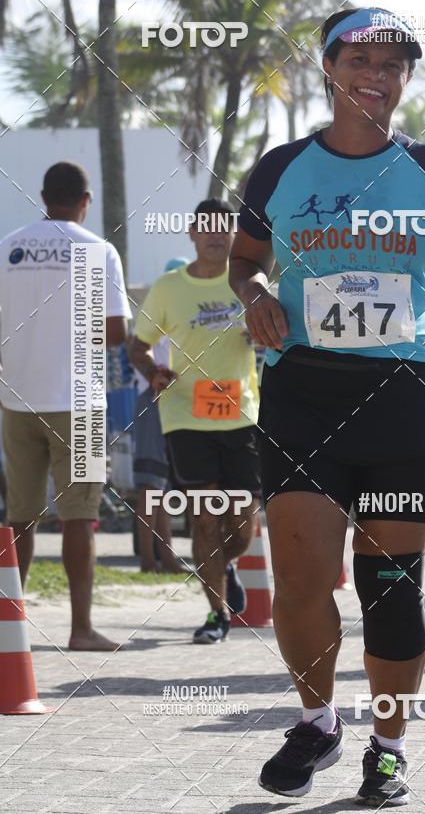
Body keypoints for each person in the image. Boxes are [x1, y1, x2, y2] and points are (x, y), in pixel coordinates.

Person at [229, 5, 425, 806]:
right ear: (329, 68)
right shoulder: (279, 168)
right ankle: (319, 722)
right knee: (299, 575)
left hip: (401, 393)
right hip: (302, 387)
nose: (376, 75)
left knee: (390, 586)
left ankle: (387, 748)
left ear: (404, 81)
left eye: (393, 65)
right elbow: (244, 260)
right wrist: (255, 294)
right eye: (360, 59)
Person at [0, 161, 131, 651]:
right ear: (86, 200)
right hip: (80, 402)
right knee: (79, 515)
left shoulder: (9, 246)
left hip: (17, 398)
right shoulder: (97, 250)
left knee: (20, 518)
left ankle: (10, 628)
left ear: (42, 196)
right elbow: (116, 332)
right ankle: (80, 629)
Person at [129, 198, 261, 644]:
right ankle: (216, 614)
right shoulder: (169, 288)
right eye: (206, 228)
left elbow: (281, 329)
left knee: (243, 525)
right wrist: (153, 372)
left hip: (242, 415)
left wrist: (260, 330)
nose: (214, 236)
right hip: (185, 415)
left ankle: (223, 565)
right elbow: (137, 345)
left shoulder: (250, 283)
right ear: (191, 233)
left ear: (233, 234)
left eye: (223, 229)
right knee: (206, 517)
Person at [129, 257, 190, 573]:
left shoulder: (173, 314)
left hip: (170, 402)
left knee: (161, 485)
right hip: (154, 400)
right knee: (152, 485)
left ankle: (164, 557)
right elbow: (141, 349)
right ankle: (148, 560)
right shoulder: (157, 314)